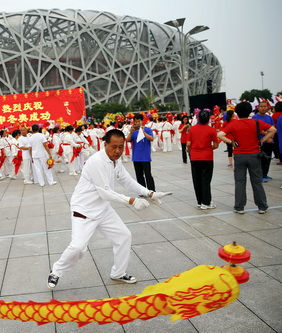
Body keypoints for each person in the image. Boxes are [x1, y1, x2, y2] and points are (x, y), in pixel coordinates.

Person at [47, 129, 170, 289]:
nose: (118, 151)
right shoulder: (97, 161)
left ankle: (118, 273)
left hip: (103, 209)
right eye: (114, 147)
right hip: (84, 210)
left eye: (121, 147)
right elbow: (105, 192)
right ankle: (56, 271)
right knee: (78, 247)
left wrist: (150, 193)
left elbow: (127, 181)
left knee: (124, 236)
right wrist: (132, 201)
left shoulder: (116, 161)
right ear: (105, 144)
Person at [217, 102, 276, 214]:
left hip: (239, 155)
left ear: (237, 113)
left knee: (240, 181)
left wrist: (232, 142)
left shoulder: (234, 124)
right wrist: (262, 141)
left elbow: (219, 135)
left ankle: (240, 207)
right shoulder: (256, 122)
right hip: (254, 155)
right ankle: (262, 206)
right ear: (250, 111)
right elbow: (273, 130)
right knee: (257, 181)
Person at [186, 110, 219, 210]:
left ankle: (200, 201)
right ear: (208, 119)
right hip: (207, 157)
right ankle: (207, 202)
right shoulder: (211, 129)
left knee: (197, 179)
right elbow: (216, 144)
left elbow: (188, 144)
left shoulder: (193, 129)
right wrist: (210, 148)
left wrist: (191, 149)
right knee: (206, 180)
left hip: (195, 157)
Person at [126, 114, 156, 191]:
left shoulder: (148, 129)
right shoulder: (133, 131)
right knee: (139, 175)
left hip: (145, 157)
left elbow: (151, 138)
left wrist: (143, 132)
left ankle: (152, 190)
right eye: (135, 121)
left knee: (148, 175)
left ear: (142, 121)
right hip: (136, 156)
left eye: (138, 121)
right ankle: (143, 191)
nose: (137, 123)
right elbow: (128, 140)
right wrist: (131, 132)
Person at [252, 101, 275, 182]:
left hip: (269, 141)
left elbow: (273, 128)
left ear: (268, 107)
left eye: (265, 106)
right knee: (261, 160)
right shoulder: (255, 117)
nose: (263, 108)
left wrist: (271, 137)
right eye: (261, 106)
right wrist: (267, 135)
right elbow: (257, 129)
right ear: (258, 107)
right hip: (260, 142)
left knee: (268, 158)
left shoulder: (269, 117)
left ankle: (265, 174)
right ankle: (261, 175)